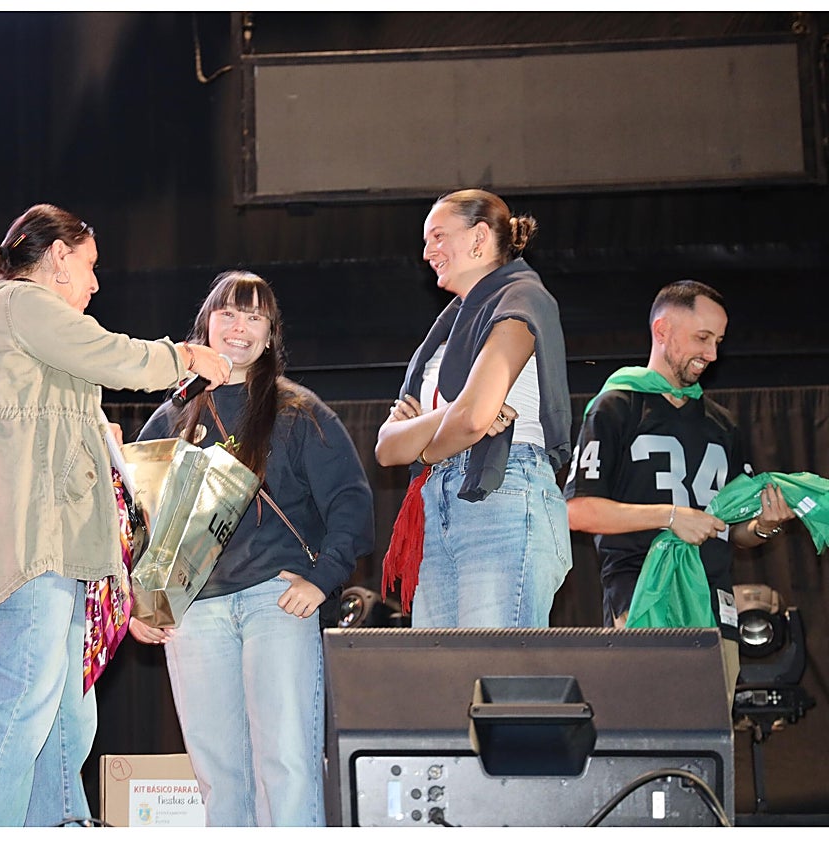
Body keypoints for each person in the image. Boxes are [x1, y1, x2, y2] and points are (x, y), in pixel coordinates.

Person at [0, 203, 231, 827]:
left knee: (67, 708)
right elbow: (112, 356)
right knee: (24, 697)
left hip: (59, 543)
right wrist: (185, 357)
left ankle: (64, 823)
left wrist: (123, 581)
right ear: (58, 256)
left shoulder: (29, 348)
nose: (96, 285)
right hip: (31, 539)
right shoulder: (19, 304)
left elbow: (87, 457)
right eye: (90, 267)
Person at [128, 270, 374, 827]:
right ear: (206, 325)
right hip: (194, 614)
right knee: (219, 772)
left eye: (254, 316)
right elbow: (141, 522)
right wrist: (142, 603)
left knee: (286, 763)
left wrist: (323, 577)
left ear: (271, 334)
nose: (239, 327)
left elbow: (352, 503)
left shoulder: (299, 410)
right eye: (228, 314)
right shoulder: (170, 416)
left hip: (274, 603)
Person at [564, 279, 796, 698]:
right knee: (647, 725)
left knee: (710, 735)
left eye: (718, 341)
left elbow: (734, 532)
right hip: (641, 595)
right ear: (662, 331)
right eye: (702, 338)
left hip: (713, 601)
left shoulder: (723, 424)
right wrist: (671, 517)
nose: (712, 354)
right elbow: (577, 510)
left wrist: (764, 525)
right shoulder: (616, 406)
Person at [375, 188, 573, 628]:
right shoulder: (447, 328)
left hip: (502, 490)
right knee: (445, 682)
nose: (427, 252)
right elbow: (387, 448)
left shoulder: (522, 299)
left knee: (497, 676)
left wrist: (425, 446)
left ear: (480, 238)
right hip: (437, 500)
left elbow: (472, 418)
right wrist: (453, 422)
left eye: (438, 236)